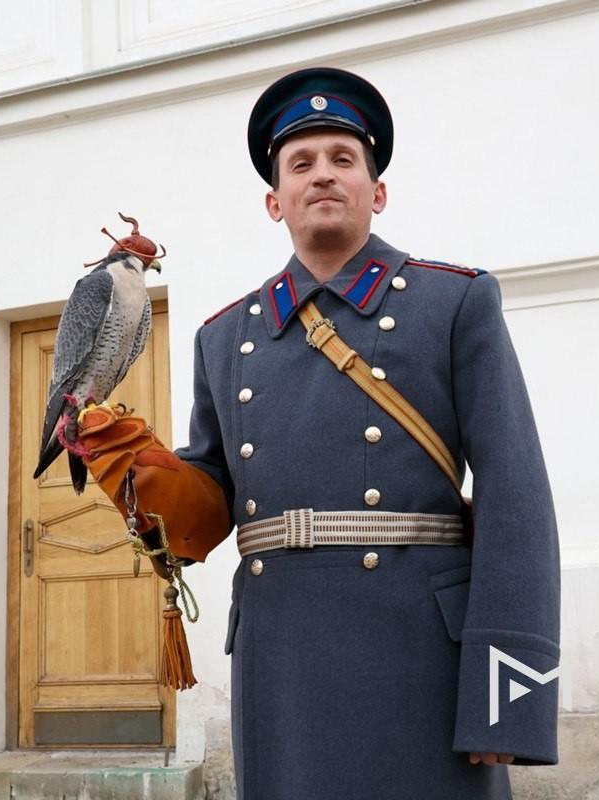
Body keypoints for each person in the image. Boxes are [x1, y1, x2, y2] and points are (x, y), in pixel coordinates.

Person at [82, 66, 561, 800]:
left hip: (422, 660)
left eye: (344, 158)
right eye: (301, 163)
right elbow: (210, 502)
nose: (324, 174)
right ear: (275, 201)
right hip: (282, 659)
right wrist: (141, 479)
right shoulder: (224, 336)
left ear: (378, 190)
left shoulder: (454, 302)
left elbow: (516, 496)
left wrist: (507, 703)